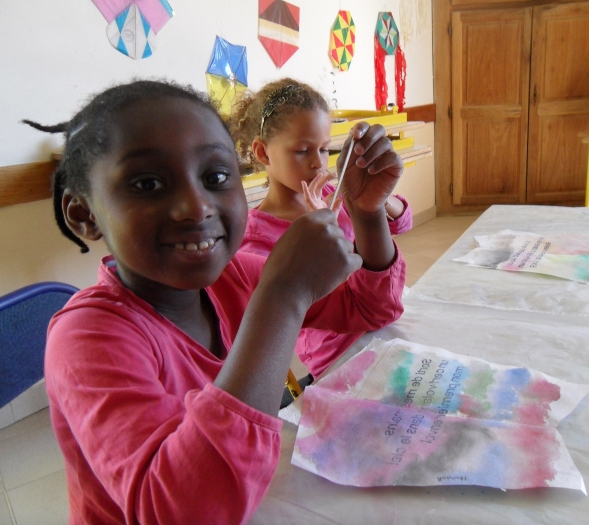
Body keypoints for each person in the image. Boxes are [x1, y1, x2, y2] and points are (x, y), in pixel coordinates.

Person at [23, 79, 406, 524]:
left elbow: (372, 309)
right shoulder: (86, 338)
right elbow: (185, 511)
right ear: (85, 215)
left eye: (216, 177)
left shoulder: (235, 276)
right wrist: (282, 298)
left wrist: (366, 210)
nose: (195, 206)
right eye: (148, 184)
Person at [232, 78, 413, 380]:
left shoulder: (334, 190)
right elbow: (291, 313)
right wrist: (323, 231)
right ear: (263, 154)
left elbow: (403, 223)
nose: (318, 164)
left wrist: (377, 201)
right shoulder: (255, 240)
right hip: (335, 355)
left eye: (325, 149)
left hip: (385, 323)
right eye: (302, 151)